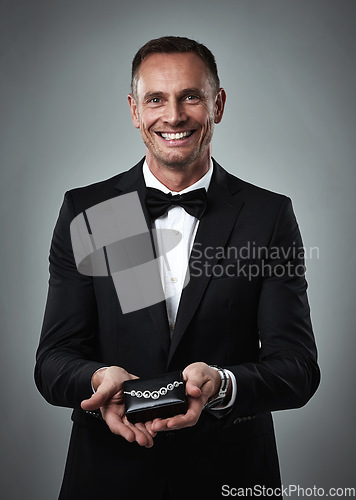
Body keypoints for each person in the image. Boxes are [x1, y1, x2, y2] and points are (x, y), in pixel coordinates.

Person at [35, 36, 320, 500]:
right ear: (134, 110)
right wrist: (97, 380)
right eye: (156, 99)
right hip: (108, 478)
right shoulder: (90, 210)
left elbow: (298, 368)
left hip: (232, 477)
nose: (173, 116)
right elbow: (52, 360)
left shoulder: (268, 216)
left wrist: (223, 384)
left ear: (218, 104)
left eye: (191, 96)